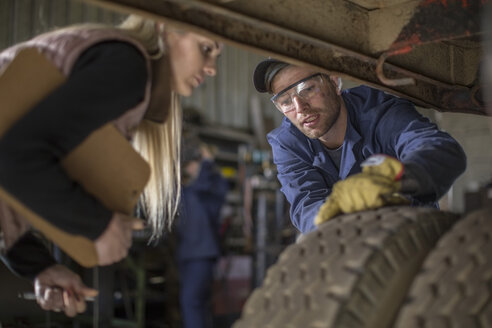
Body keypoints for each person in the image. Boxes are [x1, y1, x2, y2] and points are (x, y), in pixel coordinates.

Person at [0, 14, 222, 316]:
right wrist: (99, 224)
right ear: (165, 28)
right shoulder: (128, 66)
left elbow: (13, 178)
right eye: (206, 49)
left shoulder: (121, 69)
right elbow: (14, 159)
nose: (211, 68)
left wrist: (39, 266)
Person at [253, 59, 467, 234]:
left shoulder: (380, 112)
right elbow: (305, 205)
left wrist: (398, 179)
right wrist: (328, 214)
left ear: (334, 81)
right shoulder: (288, 142)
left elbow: (439, 149)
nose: (300, 109)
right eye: (286, 101)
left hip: (412, 239)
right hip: (346, 248)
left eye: (308, 89)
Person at [176, 131, 228, 328]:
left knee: (191, 302)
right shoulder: (190, 189)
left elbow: (205, 185)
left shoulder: (209, 188)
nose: (189, 168)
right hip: (188, 254)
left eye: (192, 163)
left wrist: (206, 161)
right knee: (199, 304)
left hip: (201, 254)